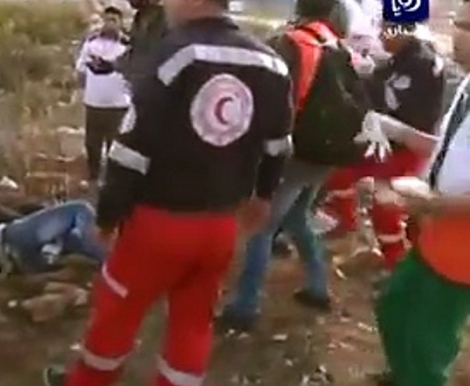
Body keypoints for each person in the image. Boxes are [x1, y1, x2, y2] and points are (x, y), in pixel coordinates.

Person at [42, 0, 294, 383]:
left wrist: (108, 216)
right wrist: (263, 195)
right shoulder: (270, 62)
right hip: (221, 224)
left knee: (117, 312)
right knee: (193, 323)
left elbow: (130, 151)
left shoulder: (173, 54)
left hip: (158, 222)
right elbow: (279, 145)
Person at [219, 0, 370, 332]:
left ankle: (245, 306)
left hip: (295, 151)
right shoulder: (336, 46)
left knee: (261, 226)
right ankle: (317, 286)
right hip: (328, 154)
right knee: (297, 216)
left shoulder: (291, 43)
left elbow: (267, 99)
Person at [374, 2, 470, 385]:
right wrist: (401, 132)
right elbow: (451, 146)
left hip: (462, 246)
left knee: (429, 338)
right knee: (394, 306)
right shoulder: (464, 82)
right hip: (435, 229)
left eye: (464, 25)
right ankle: (405, 374)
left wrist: (431, 203)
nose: (455, 33)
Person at [322, 21, 445, 270]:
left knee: (385, 204)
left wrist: (367, 80)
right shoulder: (398, 58)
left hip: (406, 145)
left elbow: (393, 104)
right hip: (386, 139)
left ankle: (395, 263)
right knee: (339, 171)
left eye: (386, 30)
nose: (380, 36)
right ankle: (350, 226)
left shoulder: (421, 63)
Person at [0, 200, 107, 275]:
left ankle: (115, 260)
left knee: (76, 235)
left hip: (20, 259)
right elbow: (6, 215)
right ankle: (112, 260)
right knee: (80, 210)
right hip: (9, 239)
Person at [76, 6, 131, 185]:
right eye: (107, 19)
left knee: (115, 146)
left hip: (118, 105)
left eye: (114, 20)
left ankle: (114, 181)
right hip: (94, 103)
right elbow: (81, 70)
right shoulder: (91, 44)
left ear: (120, 23)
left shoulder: (127, 46)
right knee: (93, 143)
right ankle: (93, 179)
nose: (110, 24)